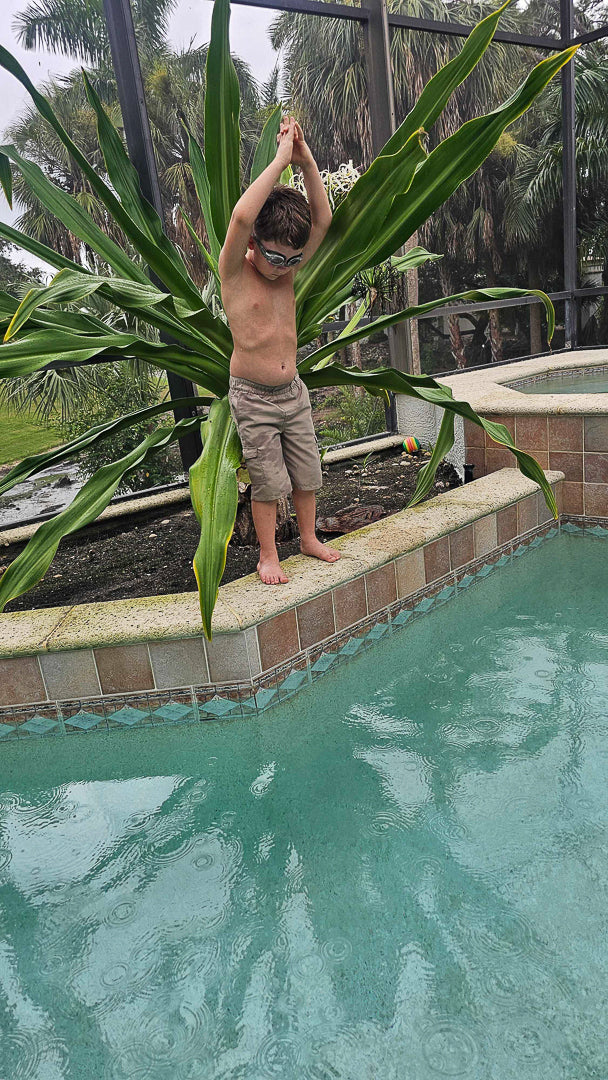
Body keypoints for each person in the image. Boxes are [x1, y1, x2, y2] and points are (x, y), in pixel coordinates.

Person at [219, 115, 341, 585]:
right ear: (254, 244)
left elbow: (323, 219)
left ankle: (308, 538)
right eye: (274, 256)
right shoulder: (235, 271)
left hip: (293, 391)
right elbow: (241, 216)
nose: (283, 267)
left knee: (307, 473)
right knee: (269, 483)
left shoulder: (286, 269)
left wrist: (305, 159)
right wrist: (279, 161)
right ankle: (268, 555)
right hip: (253, 396)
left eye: (292, 260)